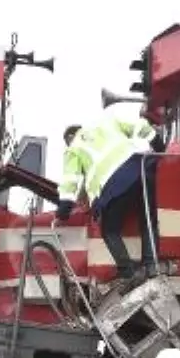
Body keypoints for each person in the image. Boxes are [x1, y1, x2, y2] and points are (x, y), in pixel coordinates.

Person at [56, 109, 166, 290]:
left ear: (69, 138)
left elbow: (71, 180)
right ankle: (151, 265)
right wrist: (159, 144)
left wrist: (64, 209)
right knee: (148, 219)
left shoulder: (74, 148)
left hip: (113, 184)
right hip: (140, 168)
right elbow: (140, 126)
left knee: (109, 230)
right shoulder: (105, 123)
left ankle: (128, 273)